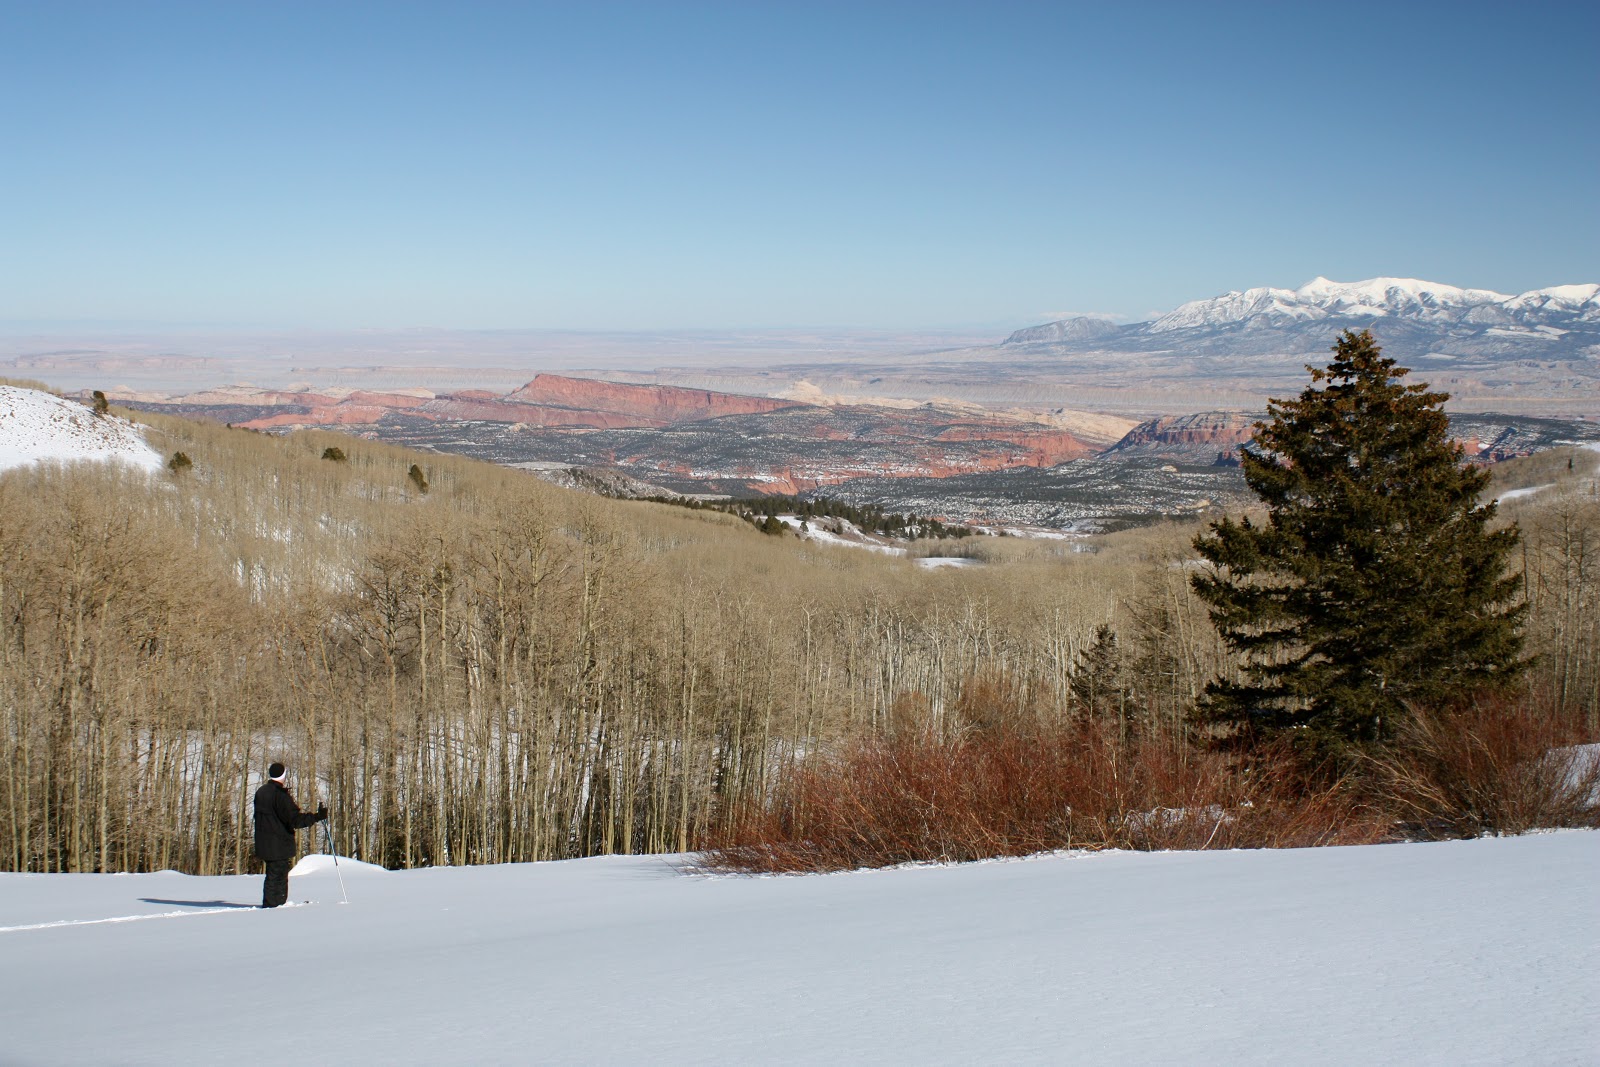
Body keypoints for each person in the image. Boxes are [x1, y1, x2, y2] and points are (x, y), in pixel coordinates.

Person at [253, 761, 327, 908]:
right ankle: (274, 906)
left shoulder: (261, 792)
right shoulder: (280, 796)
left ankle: (272, 904)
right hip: (278, 844)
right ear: (283, 775)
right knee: (278, 877)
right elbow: (294, 820)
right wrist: (316, 817)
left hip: (264, 841)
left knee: (272, 876)